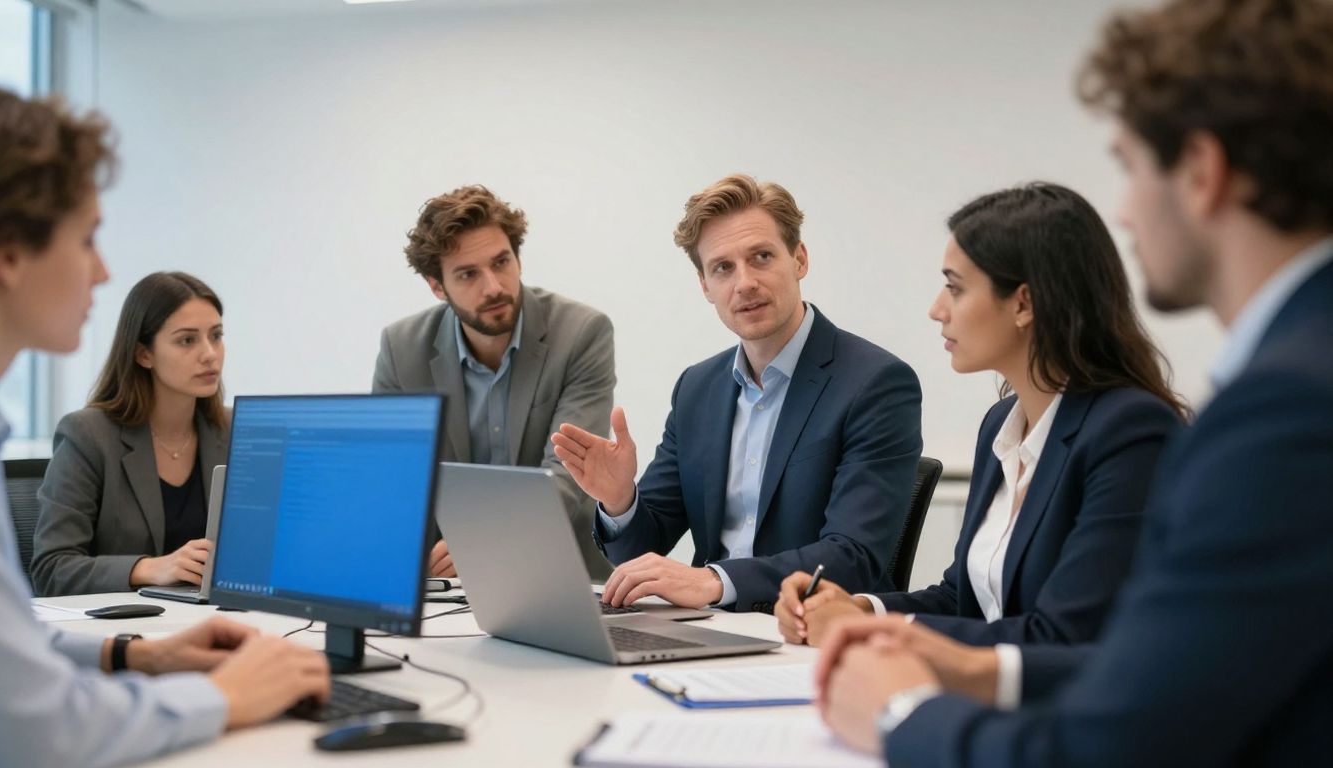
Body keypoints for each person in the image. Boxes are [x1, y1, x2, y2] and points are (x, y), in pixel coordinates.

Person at [815, 0, 1333, 763]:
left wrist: (897, 713)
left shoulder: (1284, 410)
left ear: (1201, 170)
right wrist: (958, 658)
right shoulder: (1292, 378)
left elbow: (1112, 740)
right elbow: (1172, 673)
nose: (1122, 211)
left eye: (1128, 165)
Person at [0, 86, 328, 768]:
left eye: (216, 337)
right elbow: (37, 728)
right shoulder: (78, 435)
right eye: (87, 237)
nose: (102, 270)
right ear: (9, 255)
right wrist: (225, 698)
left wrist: (137, 654)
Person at [775, 183, 1185, 650]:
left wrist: (872, 632)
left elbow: (1067, 636)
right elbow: (962, 599)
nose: (937, 309)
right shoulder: (1002, 424)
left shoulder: (1129, 433)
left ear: (1024, 304)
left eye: (954, 287)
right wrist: (859, 608)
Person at [552, 174, 923, 612]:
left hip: (805, 635)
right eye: (722, 268)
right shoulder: (698, 388)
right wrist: (619, 500)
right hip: (707, 629)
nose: (744, 283)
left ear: (799, 259)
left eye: (761, 257)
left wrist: (715, 581)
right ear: (705, 286)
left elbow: (853, 556)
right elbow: (641, 550)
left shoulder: (876, 383)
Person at [373, 185, 616, 579]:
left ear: (517, 258)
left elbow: (567, 474)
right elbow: (392, 477)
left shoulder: (582, 332)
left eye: (501, 262)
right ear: (437, 286)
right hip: (446, 578)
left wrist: (478, 542)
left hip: (560, 571)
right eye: (468, 274)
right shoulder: (401, 349)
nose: (493, 287)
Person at [32, 272, 229, 596]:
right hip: (128, 631)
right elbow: (52, 569)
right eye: (187, 340)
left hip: (222, 622)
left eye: (216, 335)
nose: (210, 353)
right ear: (143, 354)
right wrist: (150, 568)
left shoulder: (236, 432)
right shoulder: (88, 436)